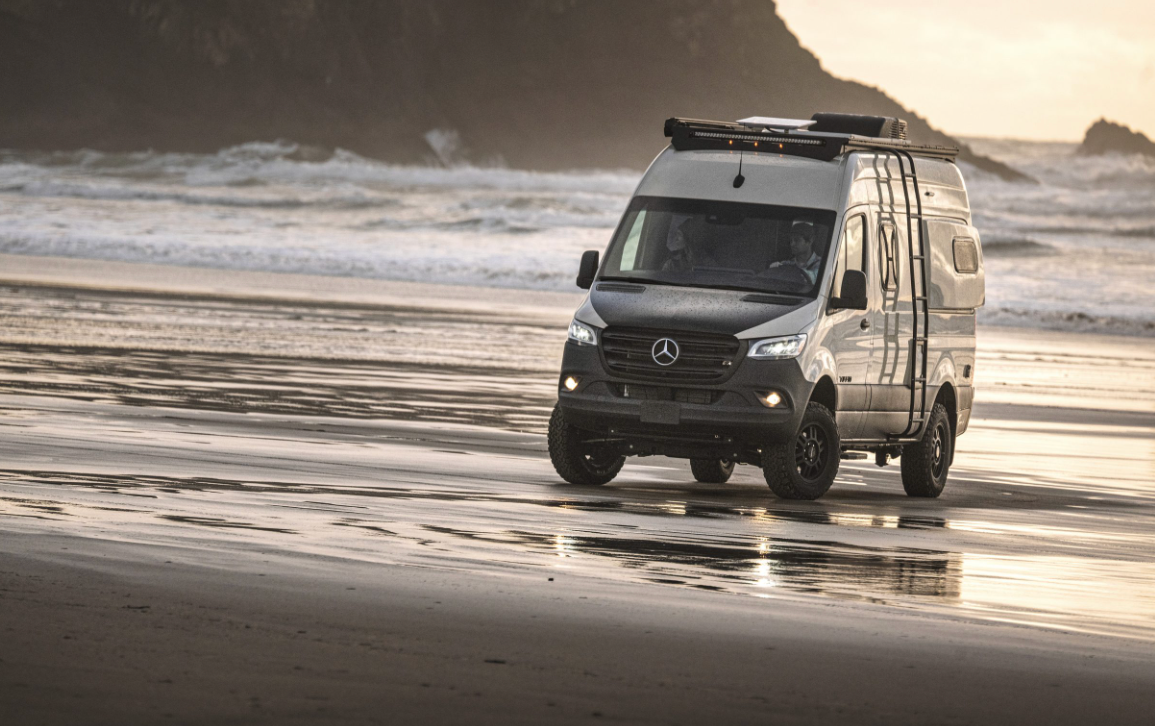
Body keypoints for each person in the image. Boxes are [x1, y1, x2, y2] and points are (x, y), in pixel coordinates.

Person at [764, 219, 821, 284]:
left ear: (810, 240)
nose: (792, 244)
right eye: (791, 240)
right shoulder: (786, 264)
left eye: (797, 240)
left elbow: (813, 277)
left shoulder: (821, 265)